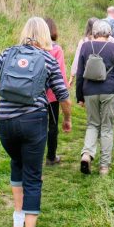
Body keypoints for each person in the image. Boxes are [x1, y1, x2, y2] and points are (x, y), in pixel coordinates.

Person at [0, 17, 72, 227]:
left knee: (17, 162)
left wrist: (2, 90)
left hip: (5, 122)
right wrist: (67, 118)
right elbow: (63, 95)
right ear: (45, 35)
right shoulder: (48, 59)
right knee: (33, 175)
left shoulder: (8, 53)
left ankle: (18, 219)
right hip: (33, 122)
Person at [76, 20, 114, 175]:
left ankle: (87, 154)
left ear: (94, 32)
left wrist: (80, 96)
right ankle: (104, 166)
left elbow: (79, 74)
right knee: (107, 127)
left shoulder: (85, 46)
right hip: (109, 91)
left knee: (92, 124)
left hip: (89, 92)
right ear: (109, 33)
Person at [43, 17, 70, 166]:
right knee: (52, 126)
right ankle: (51, 157)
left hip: (34, 95)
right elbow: (60, 73)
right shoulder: (56, 49)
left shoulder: (33, 48)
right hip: (52, 95)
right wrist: (64, 90)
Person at [70, 17, 114, 85]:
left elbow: (77, 59)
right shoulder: (108, 39)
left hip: (88, 76)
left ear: (87, 28)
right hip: (106, 74)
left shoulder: (83, 41)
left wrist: (72, 75)